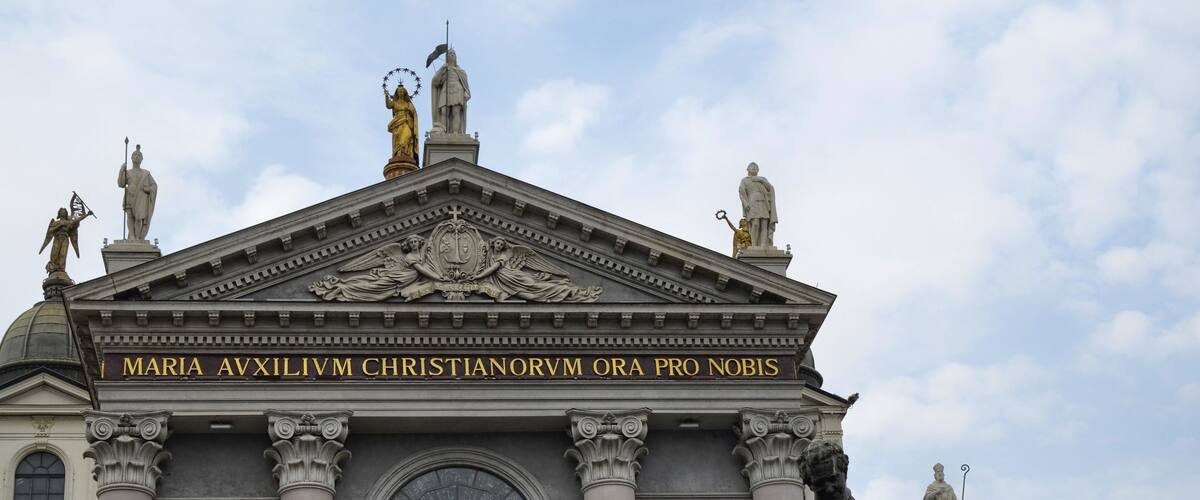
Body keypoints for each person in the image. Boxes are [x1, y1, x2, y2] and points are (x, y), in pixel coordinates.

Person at [117, 144, 157, 241]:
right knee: (130, 216)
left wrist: (147, 189)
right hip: (130, 195)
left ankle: (138, 236)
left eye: (139, 156)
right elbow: (121, 184)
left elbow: (154, 185)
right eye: (135, 155)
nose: (137, 157)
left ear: (142, 159)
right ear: (131, 158)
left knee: (139, 218)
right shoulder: (128, 172)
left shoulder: (146, 173)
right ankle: (131, 235)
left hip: (141, 198)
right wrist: (121, 170)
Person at [430, 48, 470, 134]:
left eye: (453, 53)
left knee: (456, 111)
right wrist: (442, 69)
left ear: (456, 57)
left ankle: (456, 132)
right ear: (446, 57)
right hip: (445, 90)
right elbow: (435, 82)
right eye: (449, 53)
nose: (451, 55)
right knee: (445, 111)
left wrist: (466, 92)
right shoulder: (444, 69)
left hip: (457, 90)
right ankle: (444, 130)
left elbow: (465, 84)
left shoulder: (460, 71)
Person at [738, 162, 777, 248]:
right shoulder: (745, 180)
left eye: (756, 167)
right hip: (752, 202)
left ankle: (763, 244)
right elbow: (741, 192)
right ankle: (754, 244)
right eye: (752, 167)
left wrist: (761, 181)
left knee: (764, 223)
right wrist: (745, 203)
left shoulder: (762, 179)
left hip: (764, 202)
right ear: (748, 169)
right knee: (755, 223)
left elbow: (770, 188)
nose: (754, 168)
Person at [385, 84, 419, 163]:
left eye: (402, 91)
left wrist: (411, 113)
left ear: (404, 93)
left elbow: (414, 113)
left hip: (406, 122)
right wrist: (386, 97)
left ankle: (407, 154)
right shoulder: (394, 102)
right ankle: (399, 154)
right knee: (398, 140)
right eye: (399, 91)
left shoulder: (408, 104)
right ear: (397, 93)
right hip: (397, 123)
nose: (400, 93)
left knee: (408, 136)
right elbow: (388, 105)